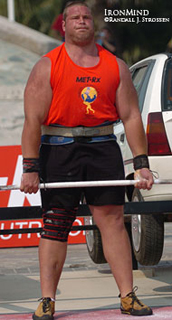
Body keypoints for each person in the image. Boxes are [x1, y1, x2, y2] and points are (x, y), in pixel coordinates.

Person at [20, 1, 154, 319]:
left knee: (112, 223)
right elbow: (31, 121)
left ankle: (127, 296)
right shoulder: (47, 65)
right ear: (63, 25)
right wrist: (30, 166)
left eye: (86, 17)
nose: (82, 21)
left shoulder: (115, 66)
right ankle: (48, 300)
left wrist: (141, 163)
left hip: (103, 146)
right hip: (59, 149)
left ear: (93, 25)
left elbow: (132, 116)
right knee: (55, 225)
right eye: (74, 18)